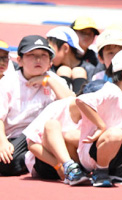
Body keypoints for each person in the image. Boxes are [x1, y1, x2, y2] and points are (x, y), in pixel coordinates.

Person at [74, 47, 122, 187]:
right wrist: (100, 125)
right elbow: (81, 100)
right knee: (115, 133)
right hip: (95, 150)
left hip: (116, 147)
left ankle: (120, 167)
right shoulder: (110, 91)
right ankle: (101, 170)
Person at [0, 36, 75, 176]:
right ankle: (42, 163)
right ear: (19, 60)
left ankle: (49, 164)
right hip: (17, 139)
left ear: (50, 62)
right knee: (6, 161)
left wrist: (48, 81)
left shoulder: (55, 81)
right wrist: (2, 143)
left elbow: (73, 105)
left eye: (43, 55)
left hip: (48, 139)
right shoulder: (7, 83)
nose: (38, 60)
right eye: (32, 55)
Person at [46, 26, 89, 94]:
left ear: (65, 48)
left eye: (50, 49)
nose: (48, 54)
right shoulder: (49, 69)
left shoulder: (89, 69)